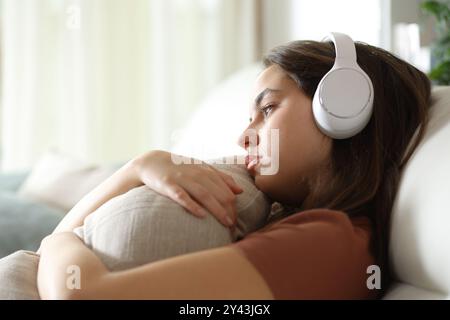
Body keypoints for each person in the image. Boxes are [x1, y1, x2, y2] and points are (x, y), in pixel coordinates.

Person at [36, 34, 431, 300]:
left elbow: (81, 294)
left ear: (342, 109)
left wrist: (56, 244)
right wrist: (139, 167)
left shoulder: (330, 243)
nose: (245, 138)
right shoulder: (294, 222)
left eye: (268, 108)